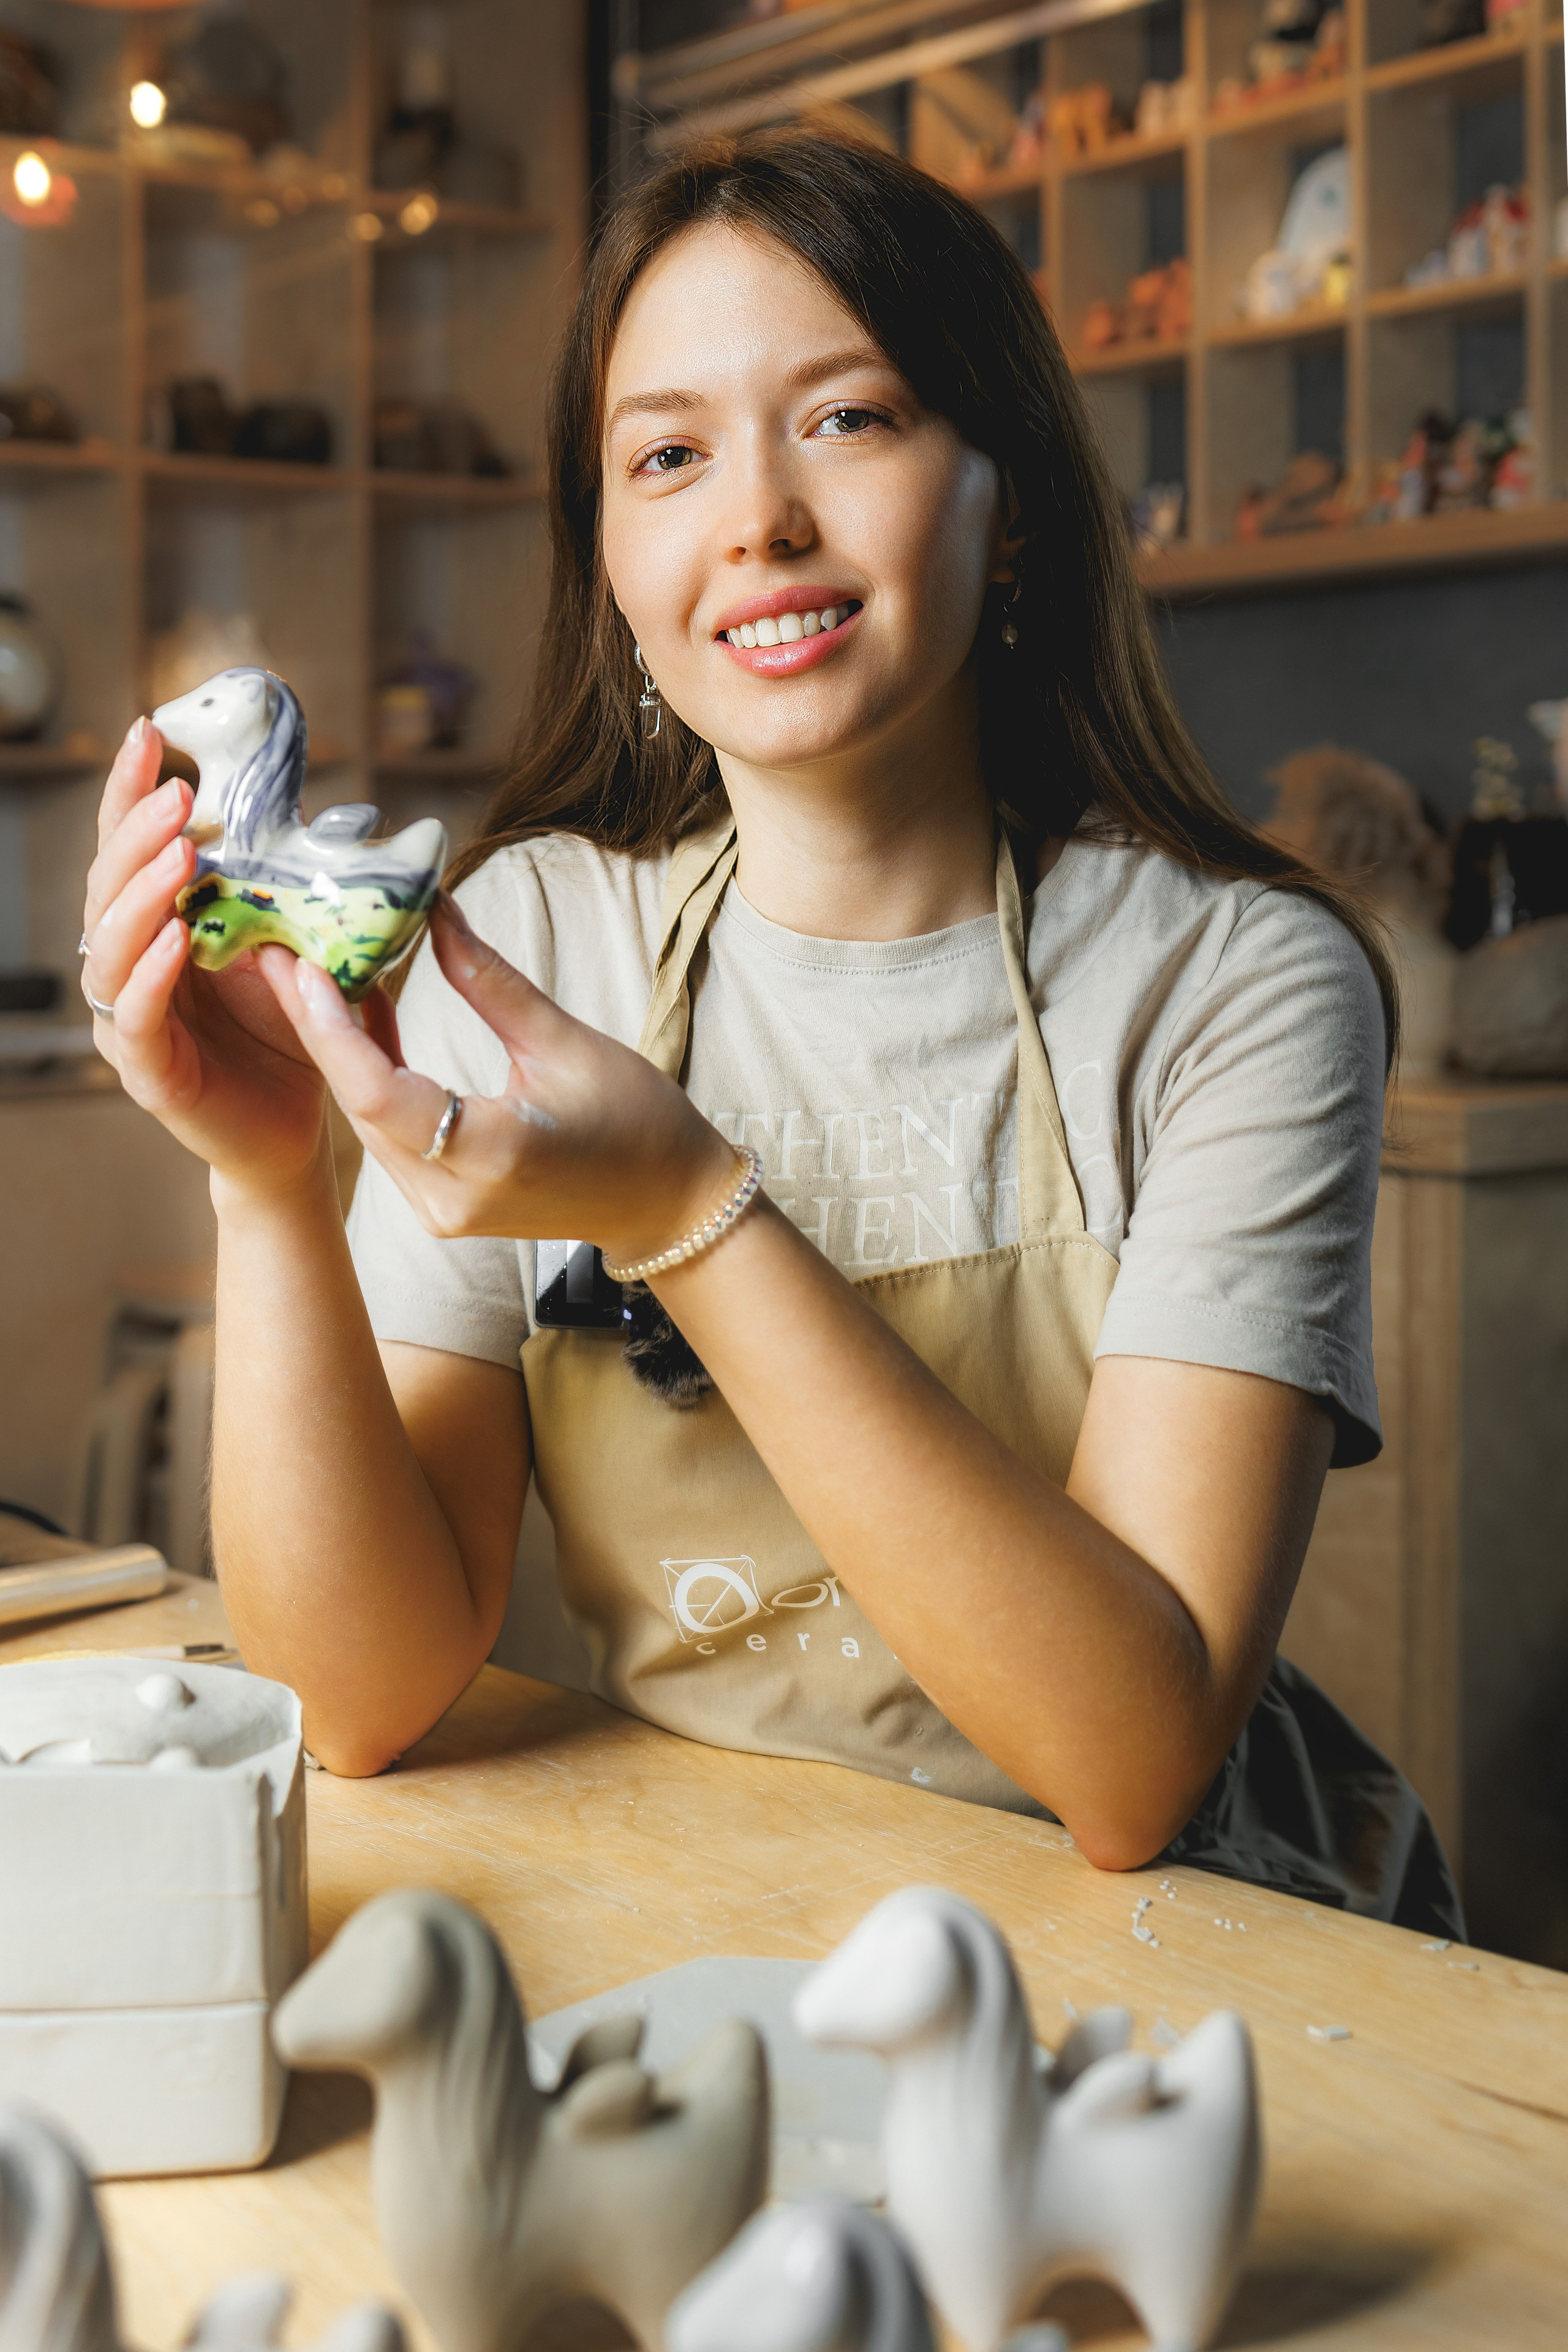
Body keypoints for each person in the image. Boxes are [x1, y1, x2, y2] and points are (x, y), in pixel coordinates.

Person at [80, 130, 1459, 1934]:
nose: (759, 521)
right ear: (611, 558)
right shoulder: (534, 942)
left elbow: (1130, 1768)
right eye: (668, 455)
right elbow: (357, 1695)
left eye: (850, 419)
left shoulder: (1238, 985)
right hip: (731, 1909)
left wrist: (687, 1213)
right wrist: (265, 1183)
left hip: (1202, 1942)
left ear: (1012, 501)